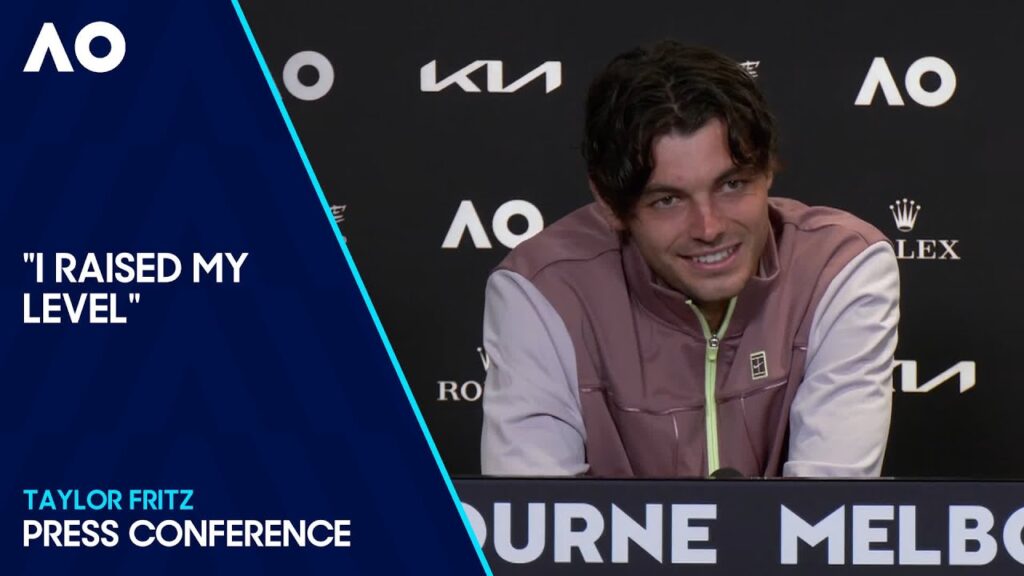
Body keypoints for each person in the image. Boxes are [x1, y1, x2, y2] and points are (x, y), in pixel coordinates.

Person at [479, 41, 899, 478]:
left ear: (768, 169)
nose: (709, 226)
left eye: (732, 184)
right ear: (609, 204)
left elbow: (826, 515)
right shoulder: (541, 289)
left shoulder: (841, 268)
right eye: (668, 201)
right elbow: (536, 520)